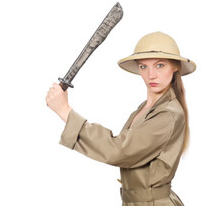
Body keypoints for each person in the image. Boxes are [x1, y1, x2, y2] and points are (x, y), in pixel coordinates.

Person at [46, 31, 193, 206]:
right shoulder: (145, 109)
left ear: (175, 67)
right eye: (143, 66)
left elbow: (119, 150)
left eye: (160, 65)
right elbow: (122, 145)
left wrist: (65, 111)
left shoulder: (168, 114)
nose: (151, 75)